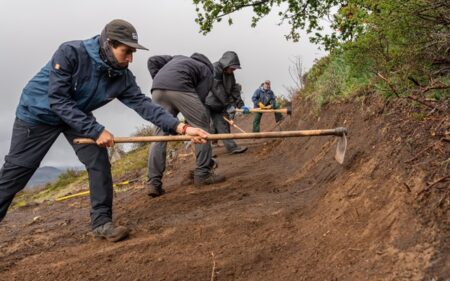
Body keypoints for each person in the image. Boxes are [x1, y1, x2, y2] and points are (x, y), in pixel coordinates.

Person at [0, 19, 208, 242]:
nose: (130, 58)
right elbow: (58, 100)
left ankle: (101, 223)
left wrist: (182, 127)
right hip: (37, 114)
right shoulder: (70, 52)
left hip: (77, 116)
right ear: (108, 45)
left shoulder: (122, 76)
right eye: (126, 51)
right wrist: (96, 131)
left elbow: (143, 104)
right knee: (17, 174)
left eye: (133, 52)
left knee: (98, 162)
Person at [146, 53, 226, 197]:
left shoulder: (177, 58)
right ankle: (203, 173)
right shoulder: (206, 70)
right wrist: (191, 123)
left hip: (157, 89)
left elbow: (152, 60)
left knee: (159, 136)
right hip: (180, 88)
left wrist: (160, 80)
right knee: (201, 127)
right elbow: (200, 99)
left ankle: (153, 183)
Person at [205, 51, 249, 154]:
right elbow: (217, 88)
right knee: (204, 127)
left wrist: (241, 105)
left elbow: (233, 89)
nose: (234, 69)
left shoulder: (230, 74)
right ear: (226, 63)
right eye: (233, 67)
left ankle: (232, 148)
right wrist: (228, 104)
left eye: (235, 67)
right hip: (206, 102)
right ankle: (206, 154)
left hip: (219, 104)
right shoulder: (214, 68)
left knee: (223, 125)